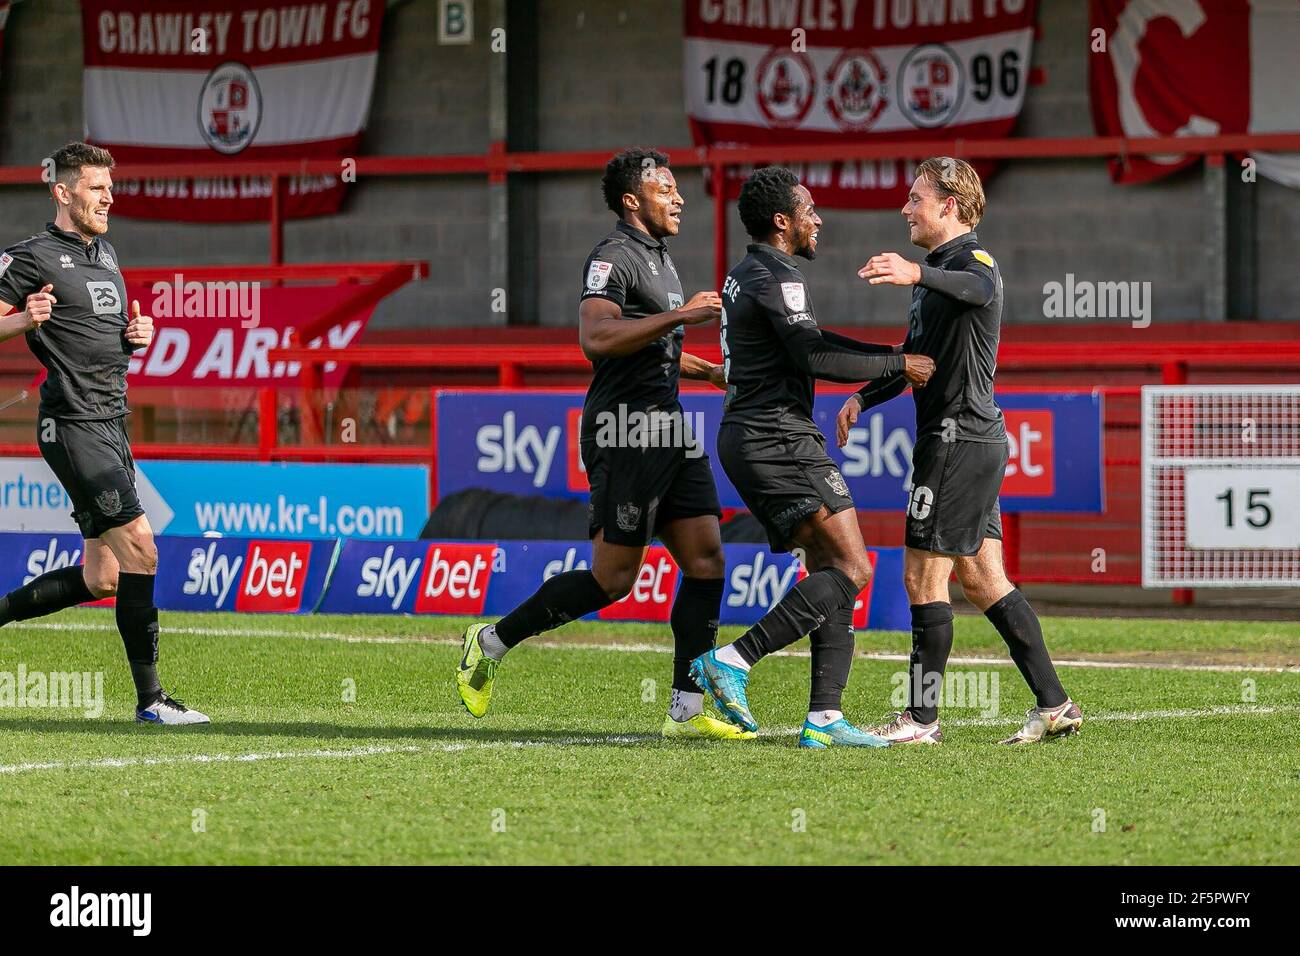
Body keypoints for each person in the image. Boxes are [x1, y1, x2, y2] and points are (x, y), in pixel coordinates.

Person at [456, 148, 749, 739]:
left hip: (666, 427)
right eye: (666, 189)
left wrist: (704, 370)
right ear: (632, 201)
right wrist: (681, 318)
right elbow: (596, 336)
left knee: (707, 560)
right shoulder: (612, 256)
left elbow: (650, 347)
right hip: (623, 431)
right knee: (614, 580)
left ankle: (686, 712)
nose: (679, 197)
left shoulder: (659, 259)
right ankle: (491, 640)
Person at [689, 166, 934, 748]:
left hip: (751, 435)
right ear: (783, 222)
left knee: (831, 571)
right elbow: (815, 357)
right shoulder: (779, 277)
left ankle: (824, 718)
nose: (818, 219)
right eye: (809, 211)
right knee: (854, 568)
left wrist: (889, 356)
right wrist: (898, 365)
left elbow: (812, 343)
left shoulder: (746, 275)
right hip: (777, 438)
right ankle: (734, 660)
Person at [842, 156, 1082, 745]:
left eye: (916, 198)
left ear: (948, 206)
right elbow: (916, 358)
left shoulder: (972, 261)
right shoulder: (934, 273)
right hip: (967, 439)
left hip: (957, 439)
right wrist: (865, 398)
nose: (906, 208)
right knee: (982, 578)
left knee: (923, 577)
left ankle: (920, 719)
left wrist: (916, 275)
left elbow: (980, 287)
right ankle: (1055, 704)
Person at [0, 142, 208, 725]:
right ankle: (152, 702)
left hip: (111, 420)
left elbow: (103, 334)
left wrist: (134, 334)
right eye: (96, 187)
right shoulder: (32, 257)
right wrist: (21, 319)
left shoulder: (107, 254)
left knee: (103, 576)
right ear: (62, 192)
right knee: (142, 546)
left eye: (110, 188)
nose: (108, 197)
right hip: (72, 424)